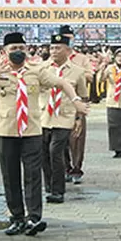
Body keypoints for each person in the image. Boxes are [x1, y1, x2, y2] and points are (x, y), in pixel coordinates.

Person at [0, 32, 89, 236]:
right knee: (10, 175)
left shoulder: (37, 71)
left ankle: (34, 218)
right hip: (6, 129)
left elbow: (63, 83)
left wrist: (76, 100)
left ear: (27, 50)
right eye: (13, 49)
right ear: (5, 51)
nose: (18, 52)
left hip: (31, 129)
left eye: (21, 48)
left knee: (33, 175)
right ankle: (17, 218)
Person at [40, 34, 88, 204]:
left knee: (56, 151)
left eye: (58, 48)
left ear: (68, 50)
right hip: (44, 116)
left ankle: (58, 190)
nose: (53, 51)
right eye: (52, 48)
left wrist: (79, 119)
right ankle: (49, 186)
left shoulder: (78, 72)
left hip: (65, 117)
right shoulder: (41, 69)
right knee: (44, 152)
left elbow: (82, 96)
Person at [58, 25, 93, 184]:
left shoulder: (81, 59)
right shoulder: (53, 60)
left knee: (77, 137)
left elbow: (90, 76)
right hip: (57, 103)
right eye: (66, 38)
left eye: (71, 38)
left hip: (77, 102)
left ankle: (76, 168)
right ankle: (65, 167)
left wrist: (74, 72)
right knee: (59, 138)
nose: (69, 41)